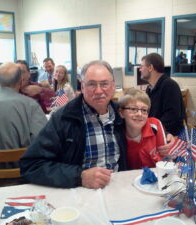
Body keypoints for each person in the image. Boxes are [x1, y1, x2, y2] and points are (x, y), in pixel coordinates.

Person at [20, 60, 127, 189]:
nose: (99, 91)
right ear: (82, 87)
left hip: (118, 188)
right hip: (79, 191)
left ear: (113, 86)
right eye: (91, 84)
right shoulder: (63, 118)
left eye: (104, 84)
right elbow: (32, 165)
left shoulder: (122, 115)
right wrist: (79, 176)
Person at [118, 88, 171, 169]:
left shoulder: (155, 125)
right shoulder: (118, 137)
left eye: (144, 110)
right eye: (133, 109)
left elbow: (166, 158)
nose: (139, 114)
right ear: (121, 113)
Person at [140, 53, 186, 136]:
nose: (140, 70)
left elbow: (172, 115)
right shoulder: (149, 88)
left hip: (169, 135)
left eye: (142, 66)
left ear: (150, 67)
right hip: (156, 130)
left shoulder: (170, 85)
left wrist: (151, 129)